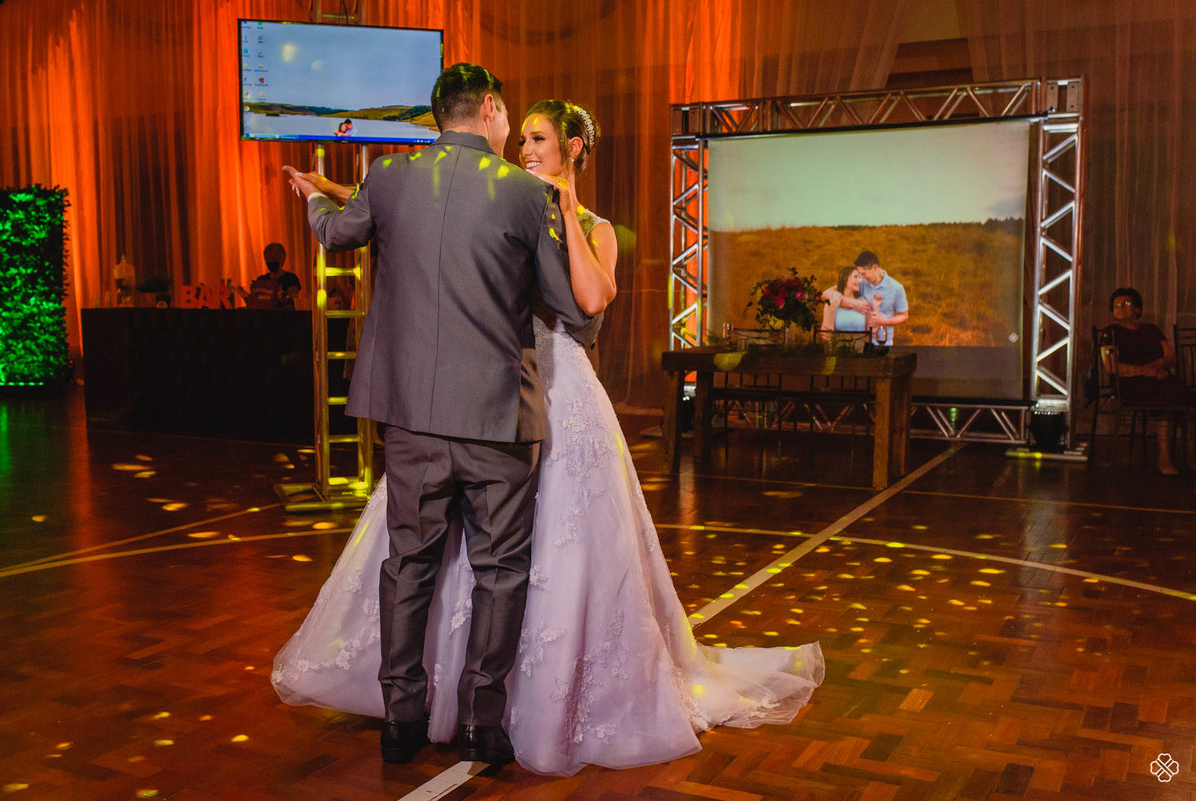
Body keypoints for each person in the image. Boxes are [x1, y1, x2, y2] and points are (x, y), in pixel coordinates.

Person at [272, 99, 824, 777]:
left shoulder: (585, 222)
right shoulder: (503, 201)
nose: (524, 147)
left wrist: (562, 208)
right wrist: (328, 190)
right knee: (447, 558)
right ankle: (439, 700)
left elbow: (592, 303)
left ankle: (535, 697)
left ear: (572, 149)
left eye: (538, 138)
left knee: (548, 553)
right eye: (521, 136)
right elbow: (396, 206)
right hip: (485, 400)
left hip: (559, 391)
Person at [281, 63, 595, 768]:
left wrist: (310, 199)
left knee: (410, 566)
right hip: (498, 421)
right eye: (506, 113)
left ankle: (402, 718)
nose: (510, 128)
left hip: (412, 423)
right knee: (500, 570)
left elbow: (334, 234)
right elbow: (572, 308)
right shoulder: (526, 194)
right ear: (487, 109)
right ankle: (484, 721)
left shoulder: (389, 178)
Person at [1099, 287, 1194, 475]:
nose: (1120, 308)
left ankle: (1190, 454)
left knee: (1186, 398)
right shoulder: (1111, 332)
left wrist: (1158, 366)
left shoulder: (1152, 330)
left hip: (1159, 377)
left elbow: (1170, 357)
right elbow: (1111, 366)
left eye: (1125, 304)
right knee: (1167, 398)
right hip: (1130, 382)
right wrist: (1144, 371)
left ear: (1137, 309)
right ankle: (1164, 456)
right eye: (1116, 305)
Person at [839, 251, 907, 345]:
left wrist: (883, 321)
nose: (861, 277)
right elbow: (831, 292)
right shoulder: (861, 282)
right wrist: (853, 303)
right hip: (860, 341)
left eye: (863, 273)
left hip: (883, 342)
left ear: (874, 268)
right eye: (859, 274)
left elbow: (904, 315)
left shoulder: (896, 288)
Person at [821, 265, 869, 333]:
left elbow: (871, 334)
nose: (860, 281)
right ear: (845, 279)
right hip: (839, 343)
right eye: (855, 277)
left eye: (860, 277)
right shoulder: (831, 302)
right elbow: (826, 335)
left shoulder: (863, 303)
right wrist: (832, 309)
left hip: (860, 343)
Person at [252, 242, 301, 307]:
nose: (270, 261)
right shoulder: (261, 280)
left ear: (282, 258)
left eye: (274, 258)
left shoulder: (291, 279)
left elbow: (292, 300)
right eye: (267, 259)